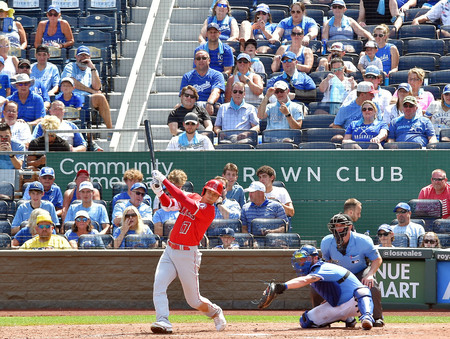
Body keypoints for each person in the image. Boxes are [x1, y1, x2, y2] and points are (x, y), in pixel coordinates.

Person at [149, 169, 227, 334]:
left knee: (193, 300)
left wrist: (164, 181)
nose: (212, 195)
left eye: (215, 194)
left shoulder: (209, 211)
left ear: (218, 197)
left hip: (187, 254)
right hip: (170, 250)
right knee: (159, 285)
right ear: (204, 190)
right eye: (210, 192)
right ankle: (163, 321)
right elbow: (169, 205)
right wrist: (159, 192)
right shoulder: (194, 197)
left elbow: (182, 198)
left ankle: (215, 312)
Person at [265, 245, 375, 330]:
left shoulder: (323, 267)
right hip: (338, 306)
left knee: (362, 290)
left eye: (304, 259)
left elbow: (304, 280)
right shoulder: (313, 272)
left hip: (355, 304)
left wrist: (283, 286)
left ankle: (366, 317)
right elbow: (333, 287)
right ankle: (346, 318)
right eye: (299, 260)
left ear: (315, 258)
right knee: (305, 321)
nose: (301, 263)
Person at [321, 213, 384, 327]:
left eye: (341, 225)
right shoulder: (326, 241)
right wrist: (327, 287)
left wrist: (370, 274)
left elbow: (377, 259)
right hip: (339, 273)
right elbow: (327, 263)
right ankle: (323, 319)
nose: (338, 228)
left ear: (350, 226)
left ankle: (377, 317)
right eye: (335, 226)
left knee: (372, 286)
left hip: (360, 271)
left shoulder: (363, 240)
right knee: (318, 287)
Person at [61, 46, 113, 129]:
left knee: (100, 97)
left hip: (86, 99)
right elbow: (71, 82)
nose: (83, 58)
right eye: (81, 55)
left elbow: (97, 87)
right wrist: (91, 91)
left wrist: (92, 68)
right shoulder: (70, 66)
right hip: (71, 97)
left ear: (89, 57)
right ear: (76, 57)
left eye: (85, 56)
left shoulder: (91, 70)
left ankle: (110, 129)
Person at [180, 50, 225, 116]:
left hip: (211, 105)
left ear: (209, 60)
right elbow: (183, 96)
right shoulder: (187, 76)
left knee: (218, 108)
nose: (201, 60)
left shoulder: (217, 75)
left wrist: (209, 103)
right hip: (192, 105)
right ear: (195, 62)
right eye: (198, 58)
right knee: (177, 108)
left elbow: (216, 91)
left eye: (204, 58)